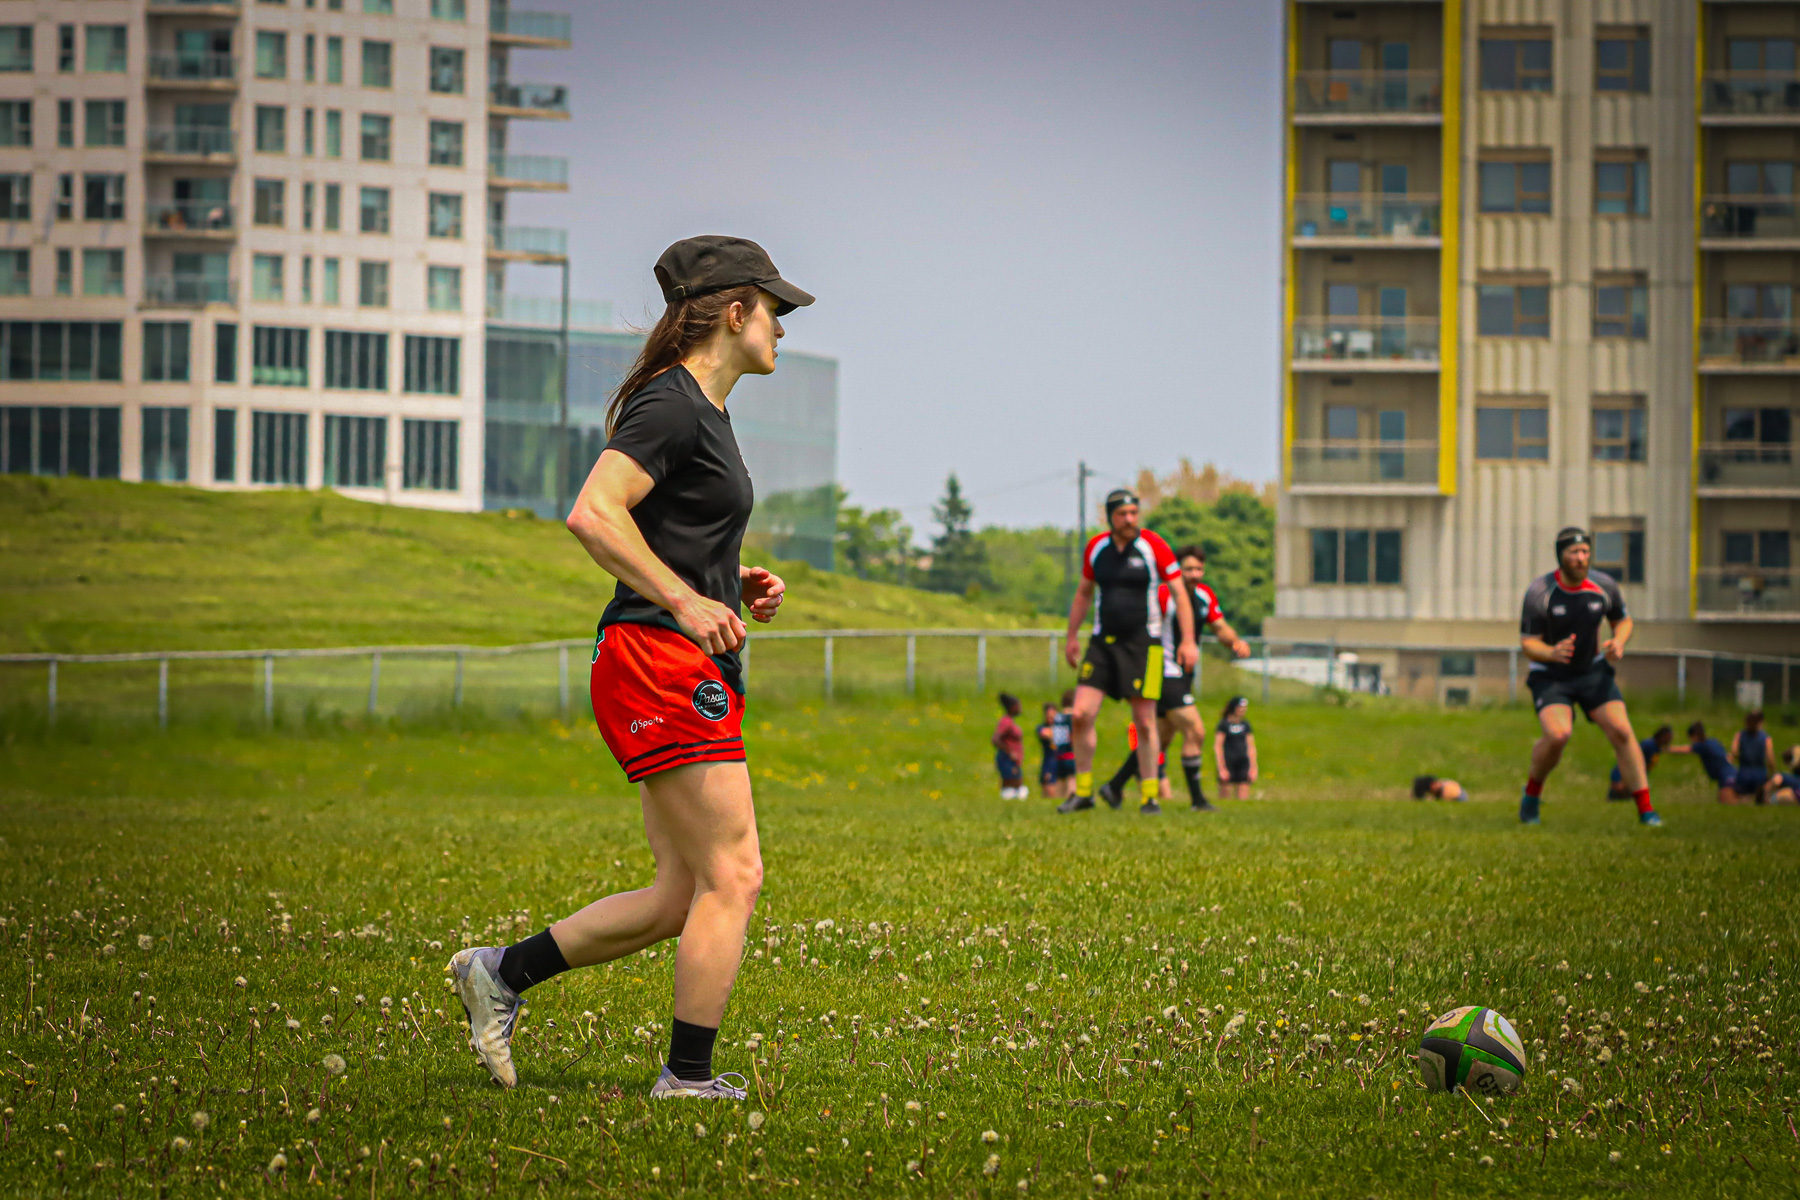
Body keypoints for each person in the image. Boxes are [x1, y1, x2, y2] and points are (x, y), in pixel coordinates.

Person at [448, 236, 813, 1099]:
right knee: (736, 875)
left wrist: (727, 578)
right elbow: (594, 513)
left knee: (682, 893)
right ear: (734, 312)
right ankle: (687, 1078)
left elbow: (664, 526)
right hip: (658, 659)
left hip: (669, 657)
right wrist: (685, 600)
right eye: (775, 310)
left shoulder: (702, 413)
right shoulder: (673, 405)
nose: (782, 329)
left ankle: (501, 973)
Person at [1057, 490, 1197, 815]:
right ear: (1110, 517)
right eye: (1123, 514)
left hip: (1143, 645)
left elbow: (1179, 593)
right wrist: (1071, 636)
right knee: (1080, 715)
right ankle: (1084, 793)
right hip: (1102, 643)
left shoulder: (1153, 546)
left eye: (1134, 512)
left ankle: (1149, 796)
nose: (1130, 519)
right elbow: (1083, 593)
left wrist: (1188, 640)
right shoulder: (1097, 548)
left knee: (1145, 723)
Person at [1517, 527, 1662, 827]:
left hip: (1592, 671)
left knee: (1622, 731)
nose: (1581, 558)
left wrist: (1619, 641)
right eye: (1574, 552)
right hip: (1551, 675)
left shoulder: (1604, 585)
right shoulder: (1540, 592)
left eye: (1585, 552)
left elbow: (1623, 621)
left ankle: (1647, 810)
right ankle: (1531, 797)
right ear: (1561, 556)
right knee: (1558, 735)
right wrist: (1552, 652)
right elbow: (1528, 644)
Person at [1098, 544, 1253, 812]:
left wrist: (1236, 642)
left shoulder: (1204, 595)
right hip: (1163, 672)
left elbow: (1220, 627)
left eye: (1199, 569)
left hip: (1182, 675)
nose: (1194, 574)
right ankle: (1198, 800)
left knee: (1160, 738)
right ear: (1176, 570)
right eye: (1188, 569)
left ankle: (1114, 786)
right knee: (1195, 730)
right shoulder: (1162, 595)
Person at [1668, 720, 1737, 805]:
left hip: (1727, 778)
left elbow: (1681, 750)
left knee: (1729, 804)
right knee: (1727, 803)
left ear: (1694, 736)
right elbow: (1729, 758)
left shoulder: (1701, 745)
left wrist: (1664, 748)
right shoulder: (1714, 742)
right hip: (1734, 774)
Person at [1607, 725, 1674, 800]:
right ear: (1662, 735)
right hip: (1624, 783)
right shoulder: (1648, 745)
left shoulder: (1657, 747)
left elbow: (1669, 750)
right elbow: (1627, 759)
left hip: (1634, 783)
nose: (1670, 739)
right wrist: (1616, 779)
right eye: (1669, 736)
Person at [1214, 696, 1256, 799]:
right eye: (1240, 707)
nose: (1243, 710)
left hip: (1243, 762)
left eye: (1244, 708)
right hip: (1228, 761)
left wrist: (1253, 767)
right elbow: (1218, 746)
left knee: (1243, 795)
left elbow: (1251, 746)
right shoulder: (1224, 724)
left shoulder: (1245, 725)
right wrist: (1221, 768)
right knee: (1225, 795)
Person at [1730, 709, 1773, 804]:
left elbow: (1734, 753)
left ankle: (1744, 799)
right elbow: (1770, 759)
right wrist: (1773, 772)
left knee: (1742, 796)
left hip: (1743, 774)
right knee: (1763, 795)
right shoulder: (1766, 738)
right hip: (1760, 775)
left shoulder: (1739, 735)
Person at [993, 693, 1027, 800]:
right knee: (1013, 787)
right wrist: (1010, 752)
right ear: (1013, 708)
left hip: (1011, 760)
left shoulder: (1010, 721)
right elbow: (995, 739)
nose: (1020, 708)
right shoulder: (1006, 722)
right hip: (1007, 760)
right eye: (1018, 705)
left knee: (1015, 787)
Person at [1034, 702, 1062, 800]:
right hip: (1049, 764)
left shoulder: (1061, 727)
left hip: (1062, 765)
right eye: (1049, 716)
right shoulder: (1041, 728)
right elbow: (1046, 734)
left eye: (1053, 716)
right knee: (1049, 796)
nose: (1051, 718)